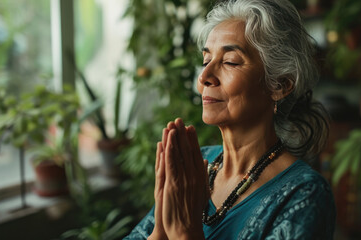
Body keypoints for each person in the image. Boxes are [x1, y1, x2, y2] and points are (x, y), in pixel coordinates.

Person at [124, 0, 335, 239]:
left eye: (230, 62)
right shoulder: (196, 163)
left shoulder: (304, 193)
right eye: (205, 61)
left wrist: (185, 232)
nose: (204, 76)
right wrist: (161, 230)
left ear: (280, 85)